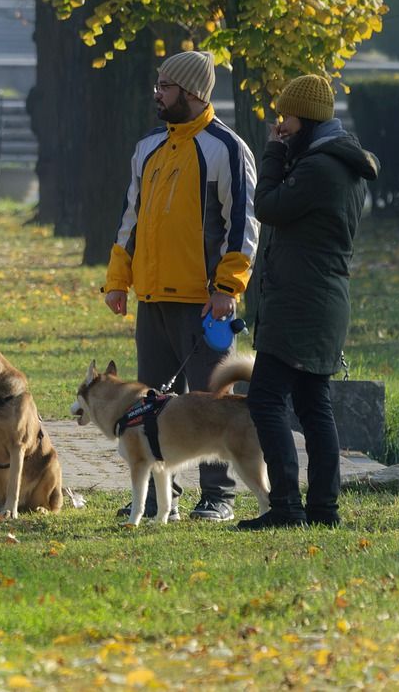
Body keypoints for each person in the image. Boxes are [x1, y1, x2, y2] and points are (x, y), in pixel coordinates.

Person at [102, 49, 259, 522]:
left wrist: (227, 287)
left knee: (214, 405)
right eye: (158, 85)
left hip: (204, 303)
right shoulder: (148, 147)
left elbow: (244, 225)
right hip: (152, 299)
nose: (157, 94)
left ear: (191, 92)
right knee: (150, 404)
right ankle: (155, 499)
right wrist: (118, 280)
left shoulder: (227, 148)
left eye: (166, 87)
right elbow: (130, 219)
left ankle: (218, 496)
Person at [237, 74, 379, 530]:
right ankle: (322, 508)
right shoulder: (337, 163)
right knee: (314, 404)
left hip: (301, 304)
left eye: (287, 118)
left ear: (308, 119)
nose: (281, 125)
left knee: (265, 399)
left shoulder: (320, 169)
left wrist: (273, 153)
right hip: (320, 302)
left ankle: (286, 506)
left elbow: (267, 206)